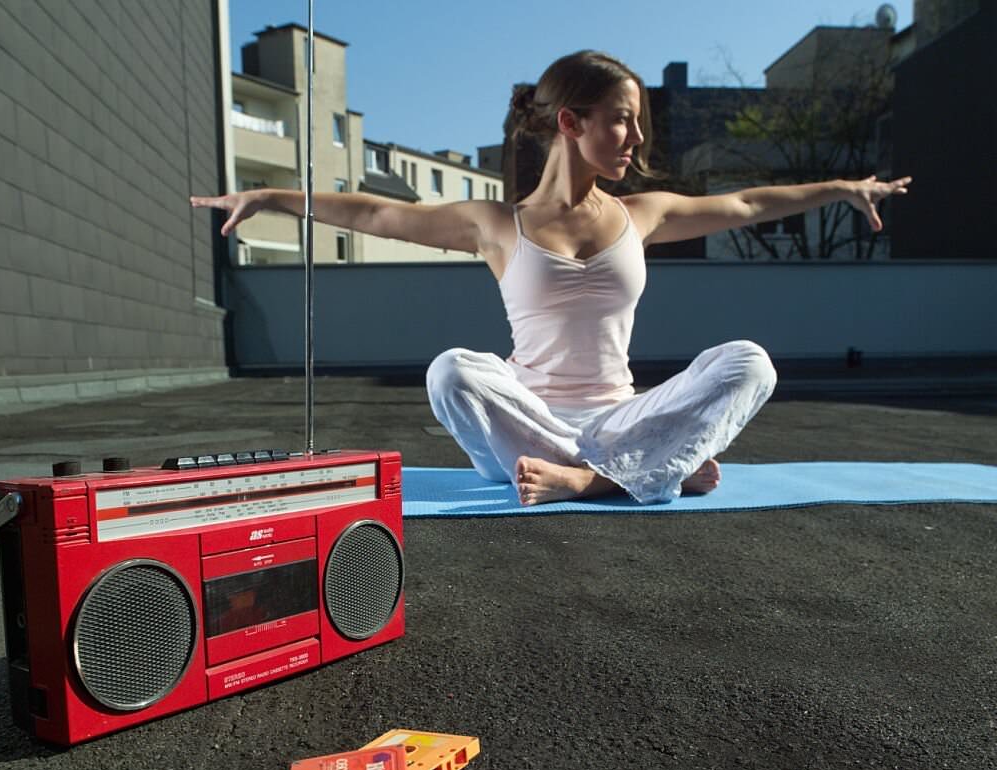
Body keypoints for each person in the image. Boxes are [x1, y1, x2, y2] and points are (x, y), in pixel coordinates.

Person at [192, 50, 910, 506]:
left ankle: (599, 479)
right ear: (571, 121)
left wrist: (843, 186)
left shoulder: (644, 213)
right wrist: (273, 196)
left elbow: (749, 203)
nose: (635, 138)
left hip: (619, 416)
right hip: (525, 422)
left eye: (637, 124)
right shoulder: (494, 224)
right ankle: (652, 473)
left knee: (748, 362)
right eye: (622, 121)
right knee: (452, 372)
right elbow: (380, 214)